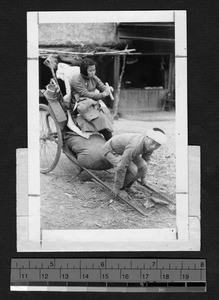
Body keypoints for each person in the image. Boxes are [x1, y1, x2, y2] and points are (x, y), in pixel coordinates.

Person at [101, 128, 167, 197]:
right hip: (112, 151)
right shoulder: (135, 145)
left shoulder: (150, 146)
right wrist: (117, 187)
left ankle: (127, 186)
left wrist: (143, 177)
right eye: (153, 142)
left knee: (143, 166)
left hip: (125, 151)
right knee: (133, 169)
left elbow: (146, 160)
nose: (154, 146)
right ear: (147, 137)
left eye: (157, 145)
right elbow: (122, 166)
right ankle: (121, 188)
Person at [68, 58, 114, 141]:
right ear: (84, 71)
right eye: (90, 70)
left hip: (92, 102)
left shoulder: (94, 78)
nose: (93, 72)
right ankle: (110, 141)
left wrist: (107, 89)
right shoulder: (76, 81)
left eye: (94, 70)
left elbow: (101, 86)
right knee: (101, 119)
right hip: (81, 105)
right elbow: (85, 94)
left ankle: (109, 139)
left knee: (107, 115)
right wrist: (101, 95)